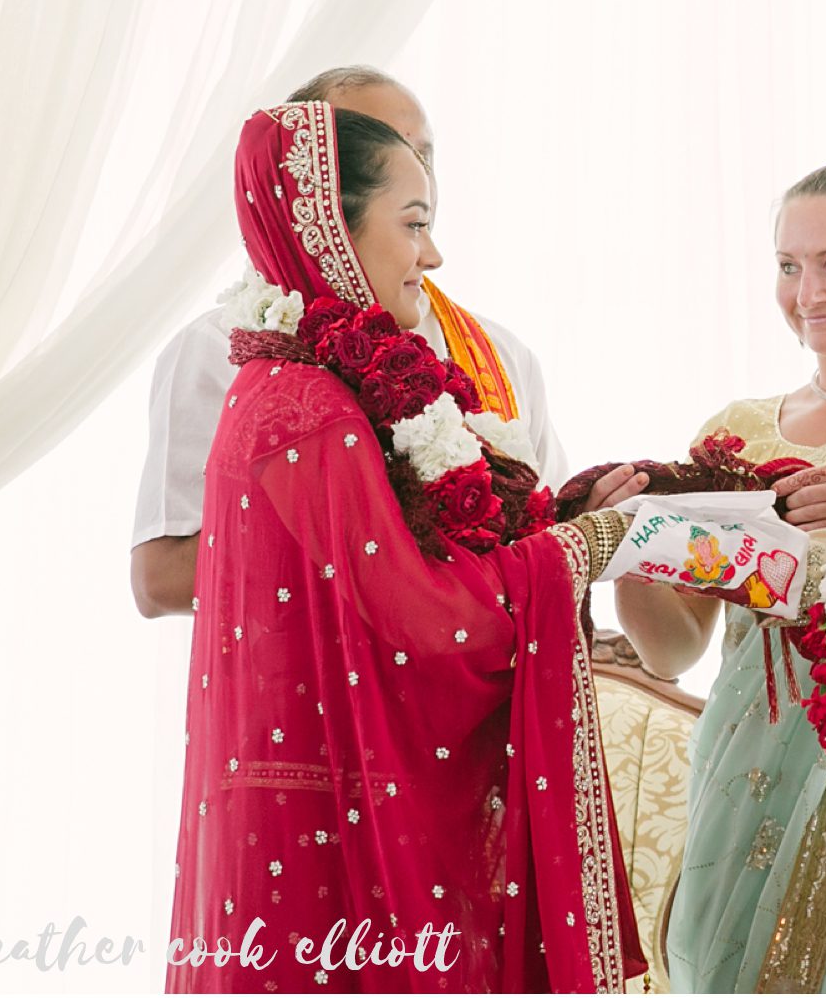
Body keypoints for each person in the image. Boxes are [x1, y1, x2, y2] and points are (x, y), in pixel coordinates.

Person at [167, 102, 644, 992]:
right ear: (329, 231)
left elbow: (415, 562)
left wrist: (556, 517)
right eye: (414, 224)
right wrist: (578, 550)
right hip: (328, 855)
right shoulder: (307, 407)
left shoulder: (294, 384)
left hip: (306, 823)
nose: (432, 255)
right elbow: (426, 623)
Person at [129, 66, 647, 617]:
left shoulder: (500, 354)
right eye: (371, 149)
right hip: (317, 688)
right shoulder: (226, 347)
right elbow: (160, 581)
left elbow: (528, 546)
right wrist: (397, 551)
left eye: (422, 155)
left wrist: (580, 526)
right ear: (316, 189)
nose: (406, 168)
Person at [616, 162, 826, 993]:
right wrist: (631, 543)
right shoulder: (736, 431)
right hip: (740, 762)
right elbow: (672, 648)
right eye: (788, 264)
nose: (806, 291)